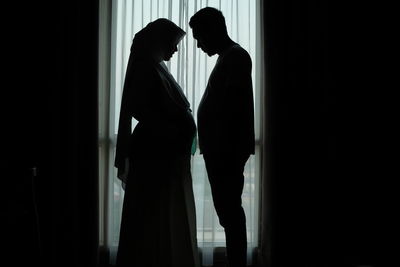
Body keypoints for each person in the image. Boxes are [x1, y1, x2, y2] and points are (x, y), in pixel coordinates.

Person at [114, 18, 200, 267]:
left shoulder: (156, 67)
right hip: (156, 157)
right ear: (157, 41)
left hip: (166, 157)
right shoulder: (145, 69)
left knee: (167, 213)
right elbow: (148, 112)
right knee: (155, 215)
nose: (174, 49)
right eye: (171, 44)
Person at [189, 7, 255, 267]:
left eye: (199, 38)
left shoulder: (235, 57)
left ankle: (237, 263)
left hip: (225, 152)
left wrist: (223, 149)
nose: (198, 45)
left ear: (212, 31)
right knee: (228, 213)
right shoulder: (229, 57)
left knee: (230, 213)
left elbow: (231, 108)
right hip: (222, 150)